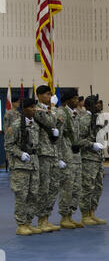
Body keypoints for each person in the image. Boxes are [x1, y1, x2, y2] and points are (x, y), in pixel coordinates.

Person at [4, 98, 42, 235]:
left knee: (33, 195)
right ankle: (21, 225)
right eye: (31, 107)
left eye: (34, 107)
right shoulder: (15, 125)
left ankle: (28, 222)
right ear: (24, 109)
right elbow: (8, 145)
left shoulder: (35, 125)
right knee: (22, 195)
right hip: (21, 166)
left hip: (34, 164)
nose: (34, 109)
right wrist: (20, 154)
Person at [34, 85, 63, 232]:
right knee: (44, 187)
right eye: (46, 94)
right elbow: (51, 122)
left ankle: (47, 218)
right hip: (43, 153)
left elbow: (59, 121)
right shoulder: (37, 109)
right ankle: (41, 220)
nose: (48, 96)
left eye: (49, 95)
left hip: (53, 151)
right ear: (39, 95)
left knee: (53, 187)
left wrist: (52, 109)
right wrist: (52, 106)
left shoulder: (48, 110)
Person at [57, 89, 84, 229]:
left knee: (76, 188)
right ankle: (64, 216)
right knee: (67, 187)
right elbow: (58, 137)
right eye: (74, 98)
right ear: (67, 100)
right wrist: (59, 158)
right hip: (66, 156)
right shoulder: (61, 113)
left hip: (76, 155)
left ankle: (71, 215)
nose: (77, 101)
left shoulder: (75, 114)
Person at [79, 94, 106, 226]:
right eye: (97, 103)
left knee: (97, 187)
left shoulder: (97, 119)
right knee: (87, 187)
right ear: (90, 105)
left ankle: (92, 212)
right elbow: (78, 139)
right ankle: (85, 215)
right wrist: (91, 145)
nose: (99, 105)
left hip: (98, 158)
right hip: (88, 158)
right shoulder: (84, 119)